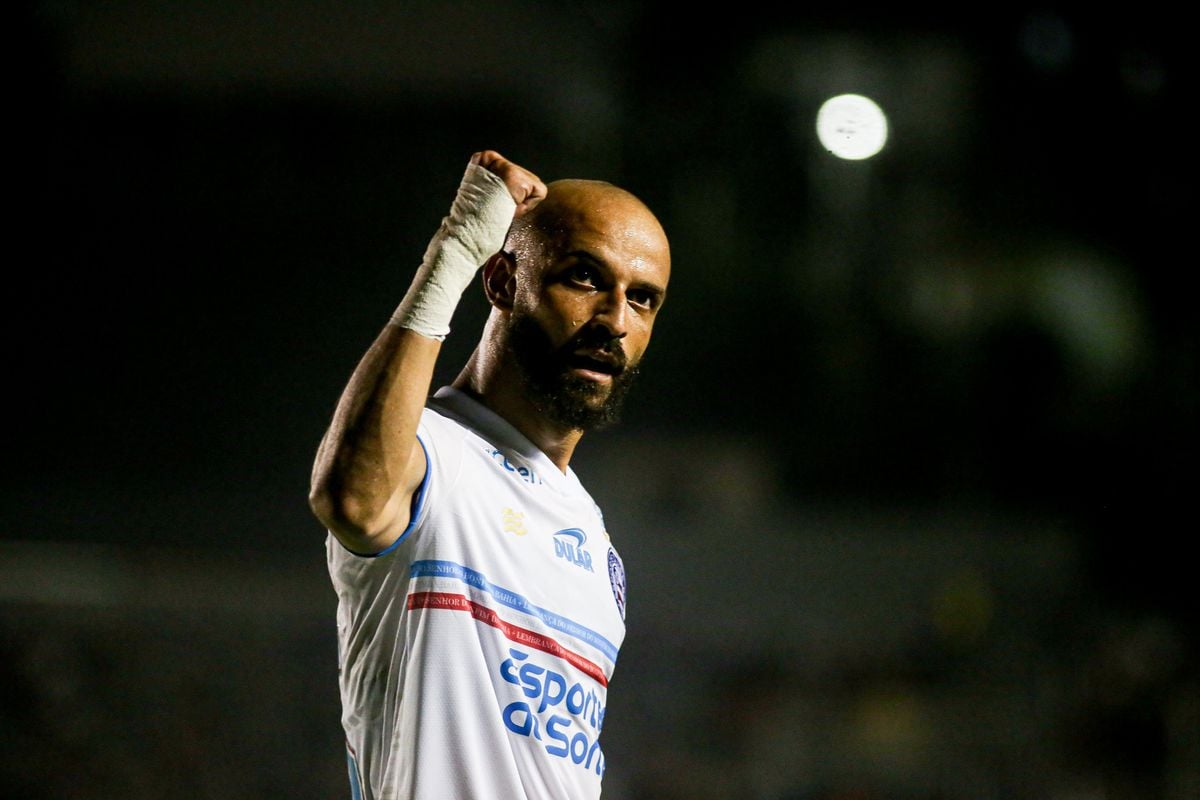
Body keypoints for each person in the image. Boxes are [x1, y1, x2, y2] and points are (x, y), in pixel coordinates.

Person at [308, 149, 671, 800]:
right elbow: (354, 501)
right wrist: (456, 249)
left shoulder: (594, 538)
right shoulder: (431, 455)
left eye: (642, 299)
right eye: (585, 278)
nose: (616, 320)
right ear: (502, 282)